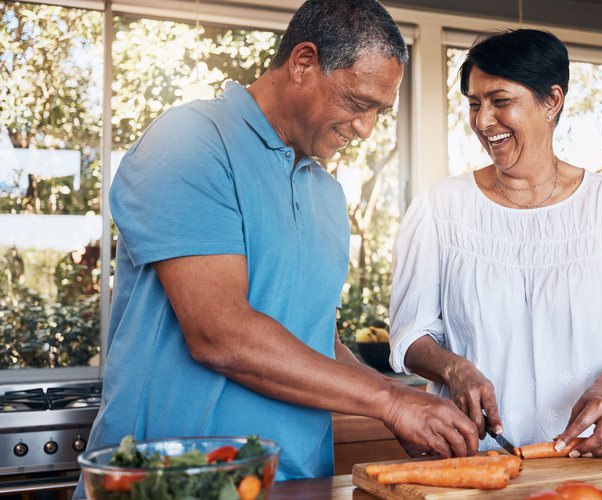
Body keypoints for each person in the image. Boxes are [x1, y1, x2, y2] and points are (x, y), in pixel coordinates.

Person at [82, 0, 478, 489]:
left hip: (297, 482)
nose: (365, 128)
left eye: (379, 111)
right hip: (172, 483)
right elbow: (219, 333)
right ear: (304, 62)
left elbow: (315, 341)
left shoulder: (327, 195)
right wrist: (391, 402)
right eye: (358, 103)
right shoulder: (191, 142)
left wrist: (401, 405)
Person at [389, 29, 602, 458]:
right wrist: (455, 369)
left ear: (552, 101)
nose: (483, 121)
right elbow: (411, 334)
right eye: (474, 104)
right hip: (478, 461)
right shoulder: (440, 209)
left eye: (500, 101)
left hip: (596, 458)